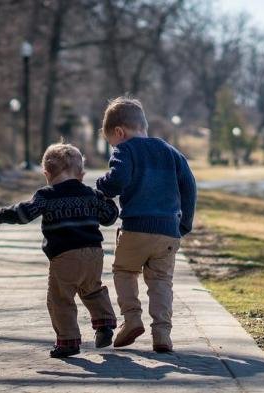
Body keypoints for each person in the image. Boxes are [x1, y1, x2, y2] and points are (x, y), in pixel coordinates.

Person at [0, 143, 119, 358]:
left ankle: (68, 341)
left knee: (60, 299)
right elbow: (110, 217)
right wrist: (106, 199)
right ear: (81, 174)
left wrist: (1, 215)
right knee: (92, 289)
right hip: (94, 254)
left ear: (47, 174)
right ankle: (104, 324)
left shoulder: (46, 195)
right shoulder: (91, 194)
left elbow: (24, 213)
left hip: (65, 256)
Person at [96, 96, 196, 353]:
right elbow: (189, 186)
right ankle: (162, 334)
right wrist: (184, 223)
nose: (113, 146)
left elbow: (117, 181)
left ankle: (131, 319)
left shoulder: (125, 150)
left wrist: (101, 185)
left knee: (124, 271)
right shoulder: (171, 152)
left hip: (136, 228)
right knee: (161, 281)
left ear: (120, 132)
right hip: (168, 232)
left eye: (112, 142)